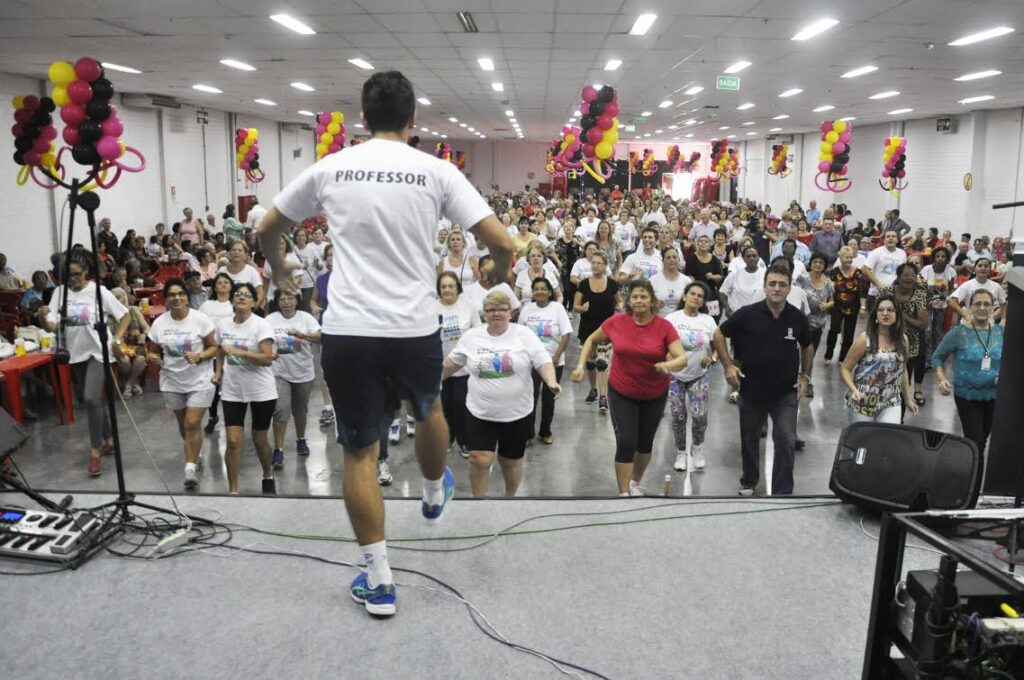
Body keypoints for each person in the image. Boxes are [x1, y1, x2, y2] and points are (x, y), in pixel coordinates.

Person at [258, 70, 513, 617]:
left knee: (358, 451)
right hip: (412, 327)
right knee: (428, 412)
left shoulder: (331, 167)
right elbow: (500, 240)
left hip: (349, 329)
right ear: (414, 118)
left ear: (362, 117)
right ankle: (429, 493)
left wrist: (281, 271)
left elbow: (266, 225)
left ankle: (378, 579)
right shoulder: (435, 170)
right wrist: (497, 272)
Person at [572, 279, 686, 496]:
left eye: (644, 296)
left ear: (652, 300)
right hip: (622, 392)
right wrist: (580, 365)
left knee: (644, 444)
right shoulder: (617, 323)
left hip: (654, 393)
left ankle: (634, 481)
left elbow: (682, 358)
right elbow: (591, 340)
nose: (639, 300)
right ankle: (623, 493)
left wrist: (667, 365)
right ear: (628, 301)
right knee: (626, 442)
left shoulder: (664, 327)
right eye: (635, 296)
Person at [443, 291, 561, 497]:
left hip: (517, 413)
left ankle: (509, 500)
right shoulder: (471, 337)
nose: (496, 314)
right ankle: (479, 502)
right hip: (480, 412)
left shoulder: (524, 335)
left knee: (511, 461)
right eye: (491, 310)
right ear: (484, 314)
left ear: (510, 312)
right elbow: (450, 365)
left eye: (502, 309)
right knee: (479, 459)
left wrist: (551, 380)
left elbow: (542, 360)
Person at [712, 266, 814, 496]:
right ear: (765, 286)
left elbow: (808, 345)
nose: (777, 288)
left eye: (782, 284)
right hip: (751, 391)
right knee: (749, 440)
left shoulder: (796, 317)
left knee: (787, 440)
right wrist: (728, 365)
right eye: (772, 283)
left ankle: (782, 492)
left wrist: (806, 375)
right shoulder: (748, 314)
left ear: (789, 289)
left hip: (785, 393)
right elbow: (719, 334)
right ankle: (749, 481)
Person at [38, 254, 129, 476]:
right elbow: (51, 327)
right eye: (69, 275)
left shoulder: (99, 292)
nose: (73, 279)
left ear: (86, 272)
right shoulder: (60, 293)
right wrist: (42, 317)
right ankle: (109, 440)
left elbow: (125, 315)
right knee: (94, 402)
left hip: (99, 351)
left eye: (77, 274)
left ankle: (95, 451)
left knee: (90, 398)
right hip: (74, 353)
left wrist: (117, 340)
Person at [146, 278, 219, 488]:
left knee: (192, 423)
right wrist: (152, 358)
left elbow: (214, 347)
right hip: (172, 381)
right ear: (166, 299)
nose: (176, 298)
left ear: (187, 297)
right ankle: (195, 452)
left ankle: (189, 470)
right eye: (171, 295)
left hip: (200, 380)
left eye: (181, 294)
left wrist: (200, 356)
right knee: (183, 425)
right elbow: (153, 351)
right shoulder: (160, 323)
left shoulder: (200, 320)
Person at [213, 282, 277, 495]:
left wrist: (243, 354)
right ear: (232, 300)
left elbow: (268, 358)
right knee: (232, 441)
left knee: (260, 440)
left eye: (246, 295)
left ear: (253, 302)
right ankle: (233, 491)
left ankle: (267, 474)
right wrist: (218, 372)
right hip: (233, 390)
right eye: (238, 294)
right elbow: (220, 351)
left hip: (261, 390)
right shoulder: (223, 325)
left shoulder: (261, 325)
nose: (241, 297)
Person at [932, 288, 1004, 456]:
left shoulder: (1001, 333)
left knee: (981, 441)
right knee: (975, 442)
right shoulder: (958, 333)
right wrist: (941, 379)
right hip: (967, 395)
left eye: (987, 304)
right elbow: (937, 357)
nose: (982, 308)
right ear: (970, 307)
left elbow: (1010, 360)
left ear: (993, 308)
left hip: (994, 396)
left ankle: (970, 472)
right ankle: (973, 480)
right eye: (977, 303)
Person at [840, 294, 918, 424]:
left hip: (890, 402)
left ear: (897, 314)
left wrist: (908, 399)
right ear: (875, 315)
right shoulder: (865, 339)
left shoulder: (903, 340)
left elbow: (902, 370)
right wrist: (853, 389)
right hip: (862, 403)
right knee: (863, 443)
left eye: (890, 310)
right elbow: (845, 369)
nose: (885, 313)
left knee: (887, 440)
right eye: (881, 310)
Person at [665, 282, 717, 472]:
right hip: (675, 376)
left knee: (700, 416)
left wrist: (712, 357)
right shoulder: (672, 318)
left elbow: (718, 344)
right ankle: (681, 452)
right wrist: (667, 357)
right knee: (678, 417)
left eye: (700, 296)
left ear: (703, 301)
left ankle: (697, 448)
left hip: (698, 375)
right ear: (685, 296)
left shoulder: (708, 321)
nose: (696, 297)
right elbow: (662, 343)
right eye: (692, 293)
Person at [266, 289, 322, 468]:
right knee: (281, 409)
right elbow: (261, 340)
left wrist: (302, 335)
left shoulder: (306, 318)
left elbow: (320, 337)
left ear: (297, 301)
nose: (286, 302)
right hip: (279, 372)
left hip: (303, 372)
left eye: (290, 298)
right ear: (277, 302)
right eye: (282, 299)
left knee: (300, 410)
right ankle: (279, 449)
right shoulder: (270, 320)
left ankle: (301, 438)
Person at [518, 277, 572, 445]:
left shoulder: (557, 308)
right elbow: (520, 334)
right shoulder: (527, 309)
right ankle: (527, 434)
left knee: (549, 399)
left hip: (553, 361)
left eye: (543, 289)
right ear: (533, 292)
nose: (540, 292)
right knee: (530, 397)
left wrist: (556, 355)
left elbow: (566, 334)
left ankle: (545, 431)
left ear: (550, 292)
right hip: (531, 362)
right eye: (536, 289)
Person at [436, 271, 481, 460]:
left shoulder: (468, 306)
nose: (447, 289)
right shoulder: (431, 308)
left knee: (461, 404)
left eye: (451, 286)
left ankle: (464, 441)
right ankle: (447, 438)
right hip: (439, 368)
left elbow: (478, 332)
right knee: (444, 406)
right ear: (439, 289)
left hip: (464, 368)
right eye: (443, 286)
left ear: (457, 288)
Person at [573, 250, 621, 412]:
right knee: (590, 363)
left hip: (606, 332)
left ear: (605, 265)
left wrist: (621, 307)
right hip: (586, 331)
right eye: (593, 262)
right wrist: (582, 308)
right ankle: (593, 389)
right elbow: (575, 307)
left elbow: (619, 302)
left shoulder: (613, 284)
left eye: (599, 263)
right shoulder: (584, 284)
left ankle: (603, 396)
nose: (596, 265)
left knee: (602, 363)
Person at [881, 263, 929, 409]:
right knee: (884, 378)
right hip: (886, 340)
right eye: (906, 275)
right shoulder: (887, 292)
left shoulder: (919, 295)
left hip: (910, 345)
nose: (910, 278)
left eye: (913, 275)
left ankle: (899, 413)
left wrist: (903, 316)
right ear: (899, 276)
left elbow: (922, 324)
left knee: (903, 379)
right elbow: (876, 314)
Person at [198, 273, 234, 433]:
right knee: (213, 384)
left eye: (226, 282)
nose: (223, 285)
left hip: (232, 350)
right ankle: (213, 416)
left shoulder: (236, 303)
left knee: (231, 387)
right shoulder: (207, 305)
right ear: (214, 286)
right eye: (220, 282)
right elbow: (200, 325)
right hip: (212, 350)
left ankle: (232, 419)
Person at [798, 252, 835, 398]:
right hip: (800, 322)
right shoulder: (802, 278)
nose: (817, 264)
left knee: (809, 355)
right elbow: (794, 294)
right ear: (810, 263)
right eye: (815, 262)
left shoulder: (828, 282)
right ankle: (794, 379)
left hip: (817, 324)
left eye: (821, 262)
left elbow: (833, 300)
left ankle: (807, 381)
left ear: (825, 265)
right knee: (795, 353)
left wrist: (827, 305)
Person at [825, 246, 867, 365]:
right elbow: (829, 289)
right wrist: (828, 302)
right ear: (840, 258)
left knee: (849, 335)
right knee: (834, 330)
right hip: (837, 305)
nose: (848, 260)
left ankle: (842, 358)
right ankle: (828, 354)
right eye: (846, 257)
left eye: (850, 257)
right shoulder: (834, 272)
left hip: (853, 306)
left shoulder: (858, 272)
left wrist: (863, 307)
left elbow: (863, 291)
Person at [109, 287, 149, 398]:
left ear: (125, 298)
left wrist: (143, 335)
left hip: (135, 344)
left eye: (118, 297)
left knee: (140, 359)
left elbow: (146, 328)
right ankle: (133, 383)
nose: (116, 300)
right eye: (113, 298)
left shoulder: (133, 311)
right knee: (125, 360)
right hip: (119, 347)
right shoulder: (108, 315)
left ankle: (129, 384)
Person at [920, 247, 956, 365]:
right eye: (938, 256)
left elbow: (950, 289)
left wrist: (945, 297)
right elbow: (921, 287)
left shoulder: (950, 271)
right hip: (927, 305)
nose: (940, 259)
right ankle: (926, 358)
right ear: (934, 258)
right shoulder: (926, 269)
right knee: (927, 331)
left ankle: (935, 358)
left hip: (941, 306)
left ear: (947, 259)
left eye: (943, 256)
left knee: (937, 332)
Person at [948, 258, 1007, 323]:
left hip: (988, 324)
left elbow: (1004, 304)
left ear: (990, 270)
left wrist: (1003, 319)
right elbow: (951, 301)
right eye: (980, 266)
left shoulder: (996, 286)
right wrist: (965, 315)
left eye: (986, 266)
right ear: (974, 269)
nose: (983, 268)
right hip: (969, 323)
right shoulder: (967, 285)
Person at [862, 227, 906, 310]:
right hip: (876, 294)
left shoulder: (902, 253)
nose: (890, 238)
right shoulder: (877, 252)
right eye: (888, 236)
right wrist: (879, 285)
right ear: (884, 240)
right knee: (875, 322)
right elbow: (865, 269)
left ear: (897, 240)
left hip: (894, 294)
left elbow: (902, 272)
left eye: (893, 236)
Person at [685, 235, 724, 321]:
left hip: (711, 294)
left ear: (710, 245)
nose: (703, 243)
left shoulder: (714, 259)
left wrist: (712, 276)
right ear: (697, 244)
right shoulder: (692, 258)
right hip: (696, 293)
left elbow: (719, 277)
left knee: (713, 320)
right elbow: (689, 276)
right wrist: (696, 288)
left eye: (706, 241)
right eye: (701, 241)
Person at [218, 240, 265, 310]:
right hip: (223, 309)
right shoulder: (222, 270)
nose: (236, 252)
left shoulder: (251, 271)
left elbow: (260, 293)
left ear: (245, 254)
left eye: (240, 250)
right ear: (229, 253)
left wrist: (252, 308)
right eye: (233, 250)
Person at [719, 246, 765, 317]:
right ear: (743, 258)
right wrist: (727, 308)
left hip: (759, 316)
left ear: (759, 258)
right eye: (748, 256)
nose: (751, 258)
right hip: (737, 315)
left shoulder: (766, 274)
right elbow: (722, 292)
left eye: (754, 256)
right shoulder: (734, 274)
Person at [649, 247, 691, 316]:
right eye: (668, 258)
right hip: (659, 320)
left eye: (674, 257)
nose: (672, 260)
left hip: (680, 321)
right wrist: (654, 305)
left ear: (679, 259)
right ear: (663, 260)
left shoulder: (687, 281)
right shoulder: (653, 280)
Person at [291, 229, 322, 312]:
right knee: (297, 308)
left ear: (306, 237)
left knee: (307, 308)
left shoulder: (312, 250)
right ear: (295, 238)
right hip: (295, 284)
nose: (301, 237)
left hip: (309, 284)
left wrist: (317, 264)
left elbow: (320, 267)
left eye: (303, 235)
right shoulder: (292, 250)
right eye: (298, 235)